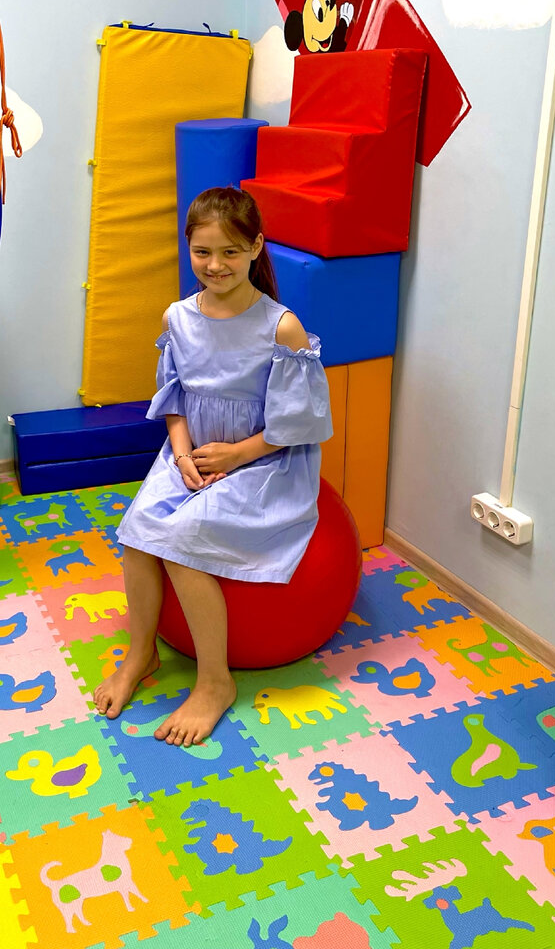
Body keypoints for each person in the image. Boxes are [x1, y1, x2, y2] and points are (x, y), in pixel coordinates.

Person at [94, 186, 332, 745]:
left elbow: (299, 423)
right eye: (202, 252)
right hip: (193, 454)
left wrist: (236, 454)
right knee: (136, 532)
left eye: (230, 252)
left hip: (265, 461)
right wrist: (181, 455)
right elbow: (175, 399)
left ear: (256, 247)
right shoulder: (178, 317)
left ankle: (214, 681)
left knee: (184, 538)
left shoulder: (281, 327)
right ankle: (140, 653)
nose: (215, 264)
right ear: (188, 249)